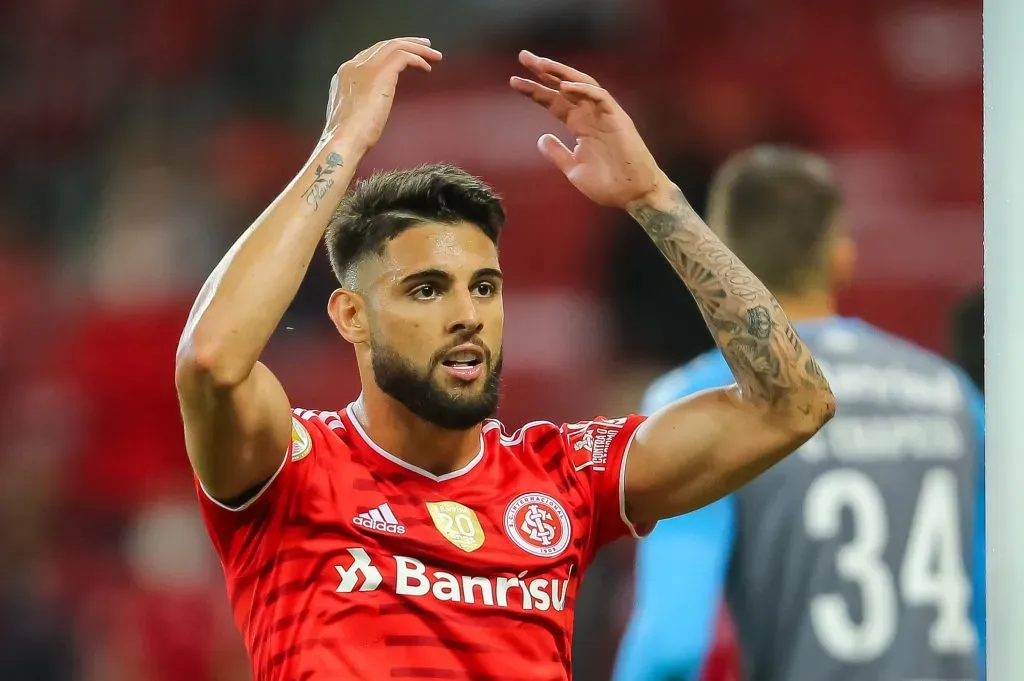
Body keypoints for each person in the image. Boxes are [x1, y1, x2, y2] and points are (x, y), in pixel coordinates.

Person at [174, 38, 836, 681]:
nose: (467, 314)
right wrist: (339, 145)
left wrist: (654, 198)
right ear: (352, 316)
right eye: (426, 289)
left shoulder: (565, 477)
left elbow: (793, 404)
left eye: (484, 287)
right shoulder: (291, 472)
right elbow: (211, 359)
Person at [614, 147, 985, 681]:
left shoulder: (703, 397)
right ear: (840, 257)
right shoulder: (950, 394)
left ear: (718, 261)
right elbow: (997, 602)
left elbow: (672, 642)